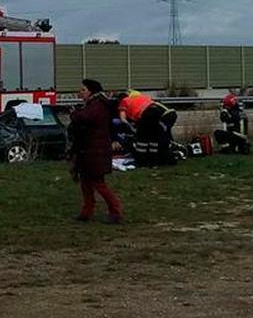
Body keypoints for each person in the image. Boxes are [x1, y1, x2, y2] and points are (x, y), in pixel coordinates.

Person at [67, 78, 124, 224]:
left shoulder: (97, 106)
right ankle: (87, 211)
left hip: (94, 151)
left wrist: (74, 114)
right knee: (85, 183)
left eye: (83, 90)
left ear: (91, 91)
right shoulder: (95, 104)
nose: (80, 93)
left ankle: (115, 210)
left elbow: (85, 118)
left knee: (98, 183)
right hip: (90, 150)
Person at [116, 89, 178, 163]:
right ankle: (156, 159)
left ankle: (142, 160)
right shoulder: (141, 97)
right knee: (155, 138)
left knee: (142, 139)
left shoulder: (124, 101)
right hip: (166, 113)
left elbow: (123, 119)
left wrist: (130, 127)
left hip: (148, 115)